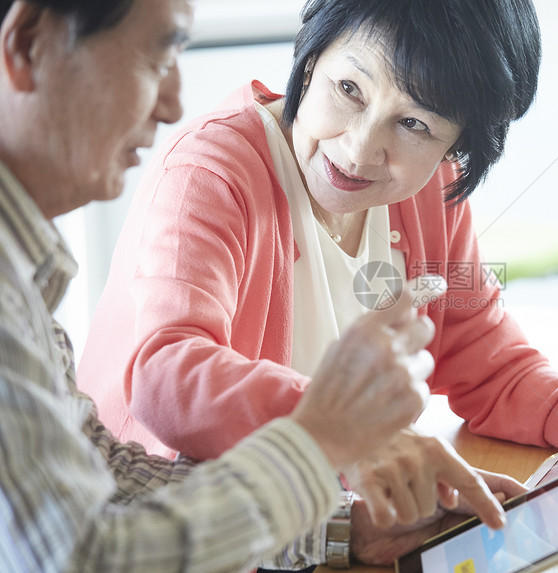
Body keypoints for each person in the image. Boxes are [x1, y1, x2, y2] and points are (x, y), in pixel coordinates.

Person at [77, 0, 558, 560]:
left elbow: (484, 354)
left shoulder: (431, 191)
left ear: (459, 149)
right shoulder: (212, 174)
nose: (358, 148)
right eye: (350, 89)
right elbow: (168, 373)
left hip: (318, 528)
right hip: (171, 528)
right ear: (310, 57)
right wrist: (346, 433)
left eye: (415, 125)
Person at [0, 1, 516, 571]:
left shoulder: (22, 275)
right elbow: (88, 552)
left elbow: (104, 471)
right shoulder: (210, 167)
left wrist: (343, 529)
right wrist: (329, 436)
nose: (174, 104)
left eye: (417, 124)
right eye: (155, 57)